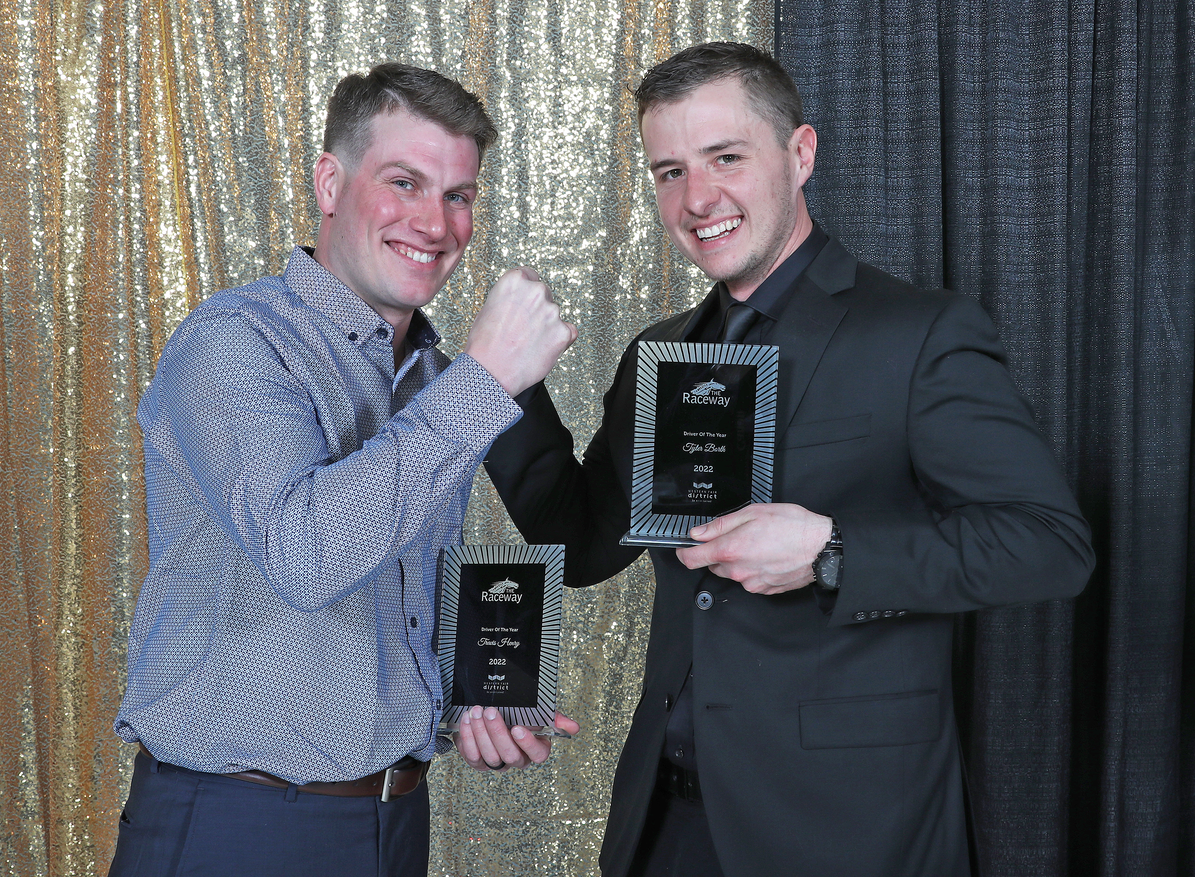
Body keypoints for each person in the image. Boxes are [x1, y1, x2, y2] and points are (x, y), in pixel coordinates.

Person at [475, 42, 1095, 877]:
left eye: (724, 158)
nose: (698, 198)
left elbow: (1047, 544)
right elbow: (582, 545)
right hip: (669, 822)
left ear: (799, 154)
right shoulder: (662, 352)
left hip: (847, 827)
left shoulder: (917, 334)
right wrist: (498, 388)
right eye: (669, 171)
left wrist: (829, 553)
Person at [108, 62, 579, 877]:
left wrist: (473, 694)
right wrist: (486, 380)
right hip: (237, 825)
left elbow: (392, 590)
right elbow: (308, 553)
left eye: (458, 194)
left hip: (393, 823)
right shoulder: (233, 343)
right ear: (331, 182)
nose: (433, 222)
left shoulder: (435, 378)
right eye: (404, 182)